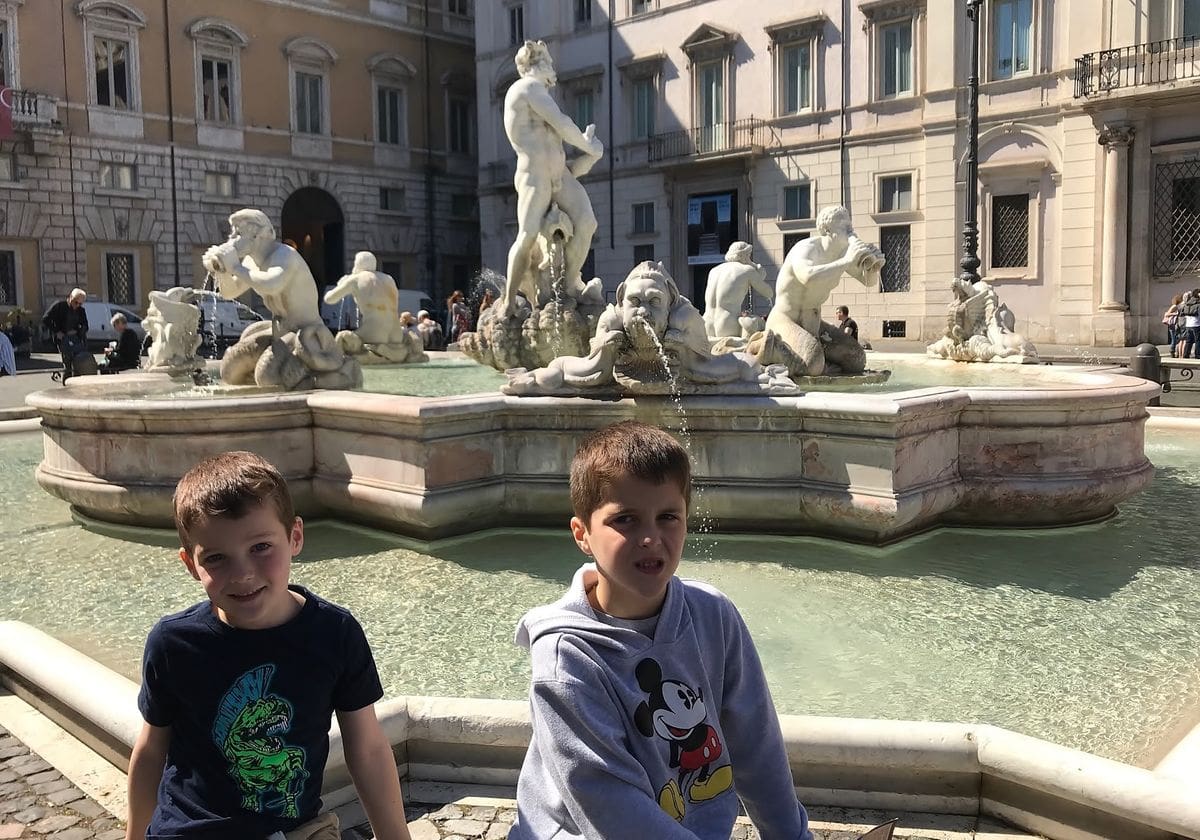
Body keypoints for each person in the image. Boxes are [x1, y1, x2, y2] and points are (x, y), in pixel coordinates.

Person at [508, 421, 812, 840]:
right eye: (626, 520)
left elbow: (756, 745)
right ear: (583, 535)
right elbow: (608, 803)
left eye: (667, 516)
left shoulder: (714, 616)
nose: (651, 537)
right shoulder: (565, 657)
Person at [125, 451, 411, 840]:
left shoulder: (335, 633)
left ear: (294, 536)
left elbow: (368, 748)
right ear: (191, 565)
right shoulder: (173, 643)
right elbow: (151, 751)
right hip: (192, 831)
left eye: (260, 547)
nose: (242, 574)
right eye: (217, 558)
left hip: (296, 828)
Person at [501, 40, 604, 316]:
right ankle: (509, 301)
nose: (553, 71)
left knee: (586, 222)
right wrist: (586, 143)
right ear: (538, 64)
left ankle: (569, 284)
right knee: (527, 236)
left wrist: (591, 157)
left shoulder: (540, 96)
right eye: (549, 63)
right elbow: (562, 122)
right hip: (534, 174)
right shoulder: (527, 87)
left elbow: (565, 159)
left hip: (560, 174)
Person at [753, 206, 883, 377]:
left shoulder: (842, 254)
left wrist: (873, 267)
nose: (851, 231)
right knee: (813, 364)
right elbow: (807, 276)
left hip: (814, 324)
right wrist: (847, 260)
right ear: (828, 230)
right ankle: (768, 348)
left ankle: (816, 355)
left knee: (856, 359)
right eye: (845, 227)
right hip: (785, 320)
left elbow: (869, 282)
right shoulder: (806, 248)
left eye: (850, 227)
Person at [702, 242, 773, 338]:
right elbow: (769, 293)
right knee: (759, 323)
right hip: (728, 325)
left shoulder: (714, 270)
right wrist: (761, 276)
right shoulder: (747, 270)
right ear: (744, 255)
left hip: (706, 324)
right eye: (749, 255)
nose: (750, 259)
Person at [42, 288, 97, 381]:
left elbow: (85, 325)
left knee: (80, 360)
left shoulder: (81, 310)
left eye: (80, 304)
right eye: (76, 303)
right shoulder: (59, 306)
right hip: (63, 337)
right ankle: (67, 381)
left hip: (76, 338)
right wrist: (56, 331)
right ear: (70, 297)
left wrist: (79, 331)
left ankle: (77, 380)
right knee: (67, 361)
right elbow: (45, 319)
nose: (77, 306)